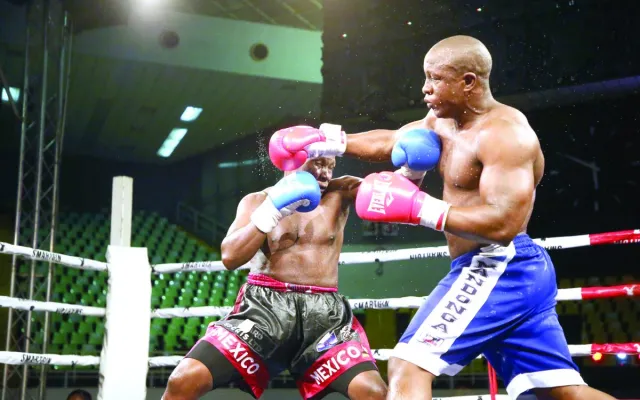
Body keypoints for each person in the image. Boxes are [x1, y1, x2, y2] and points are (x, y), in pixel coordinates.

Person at [267, 36, 617, 400]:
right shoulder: (442, 119)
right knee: (560, 392)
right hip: (508, 270)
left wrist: (420, 207)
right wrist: (328, 142)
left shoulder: (505, 135)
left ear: (468, 82)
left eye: (435, 78)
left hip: (498, 264)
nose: (425, 88)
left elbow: (503, 225)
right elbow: (396, 141)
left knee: (408, 364)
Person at [162, 151, 388, 400]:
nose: (325, 173)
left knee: (373, 391)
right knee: (184, 380)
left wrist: (412, 172)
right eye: (318, 164)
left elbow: (389, 193)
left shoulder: (341, 191)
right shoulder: (258, 200)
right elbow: (230, 257)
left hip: (324, 317)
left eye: (331, 166)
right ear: (291, 161)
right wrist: (271, 211)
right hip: (264, 310)